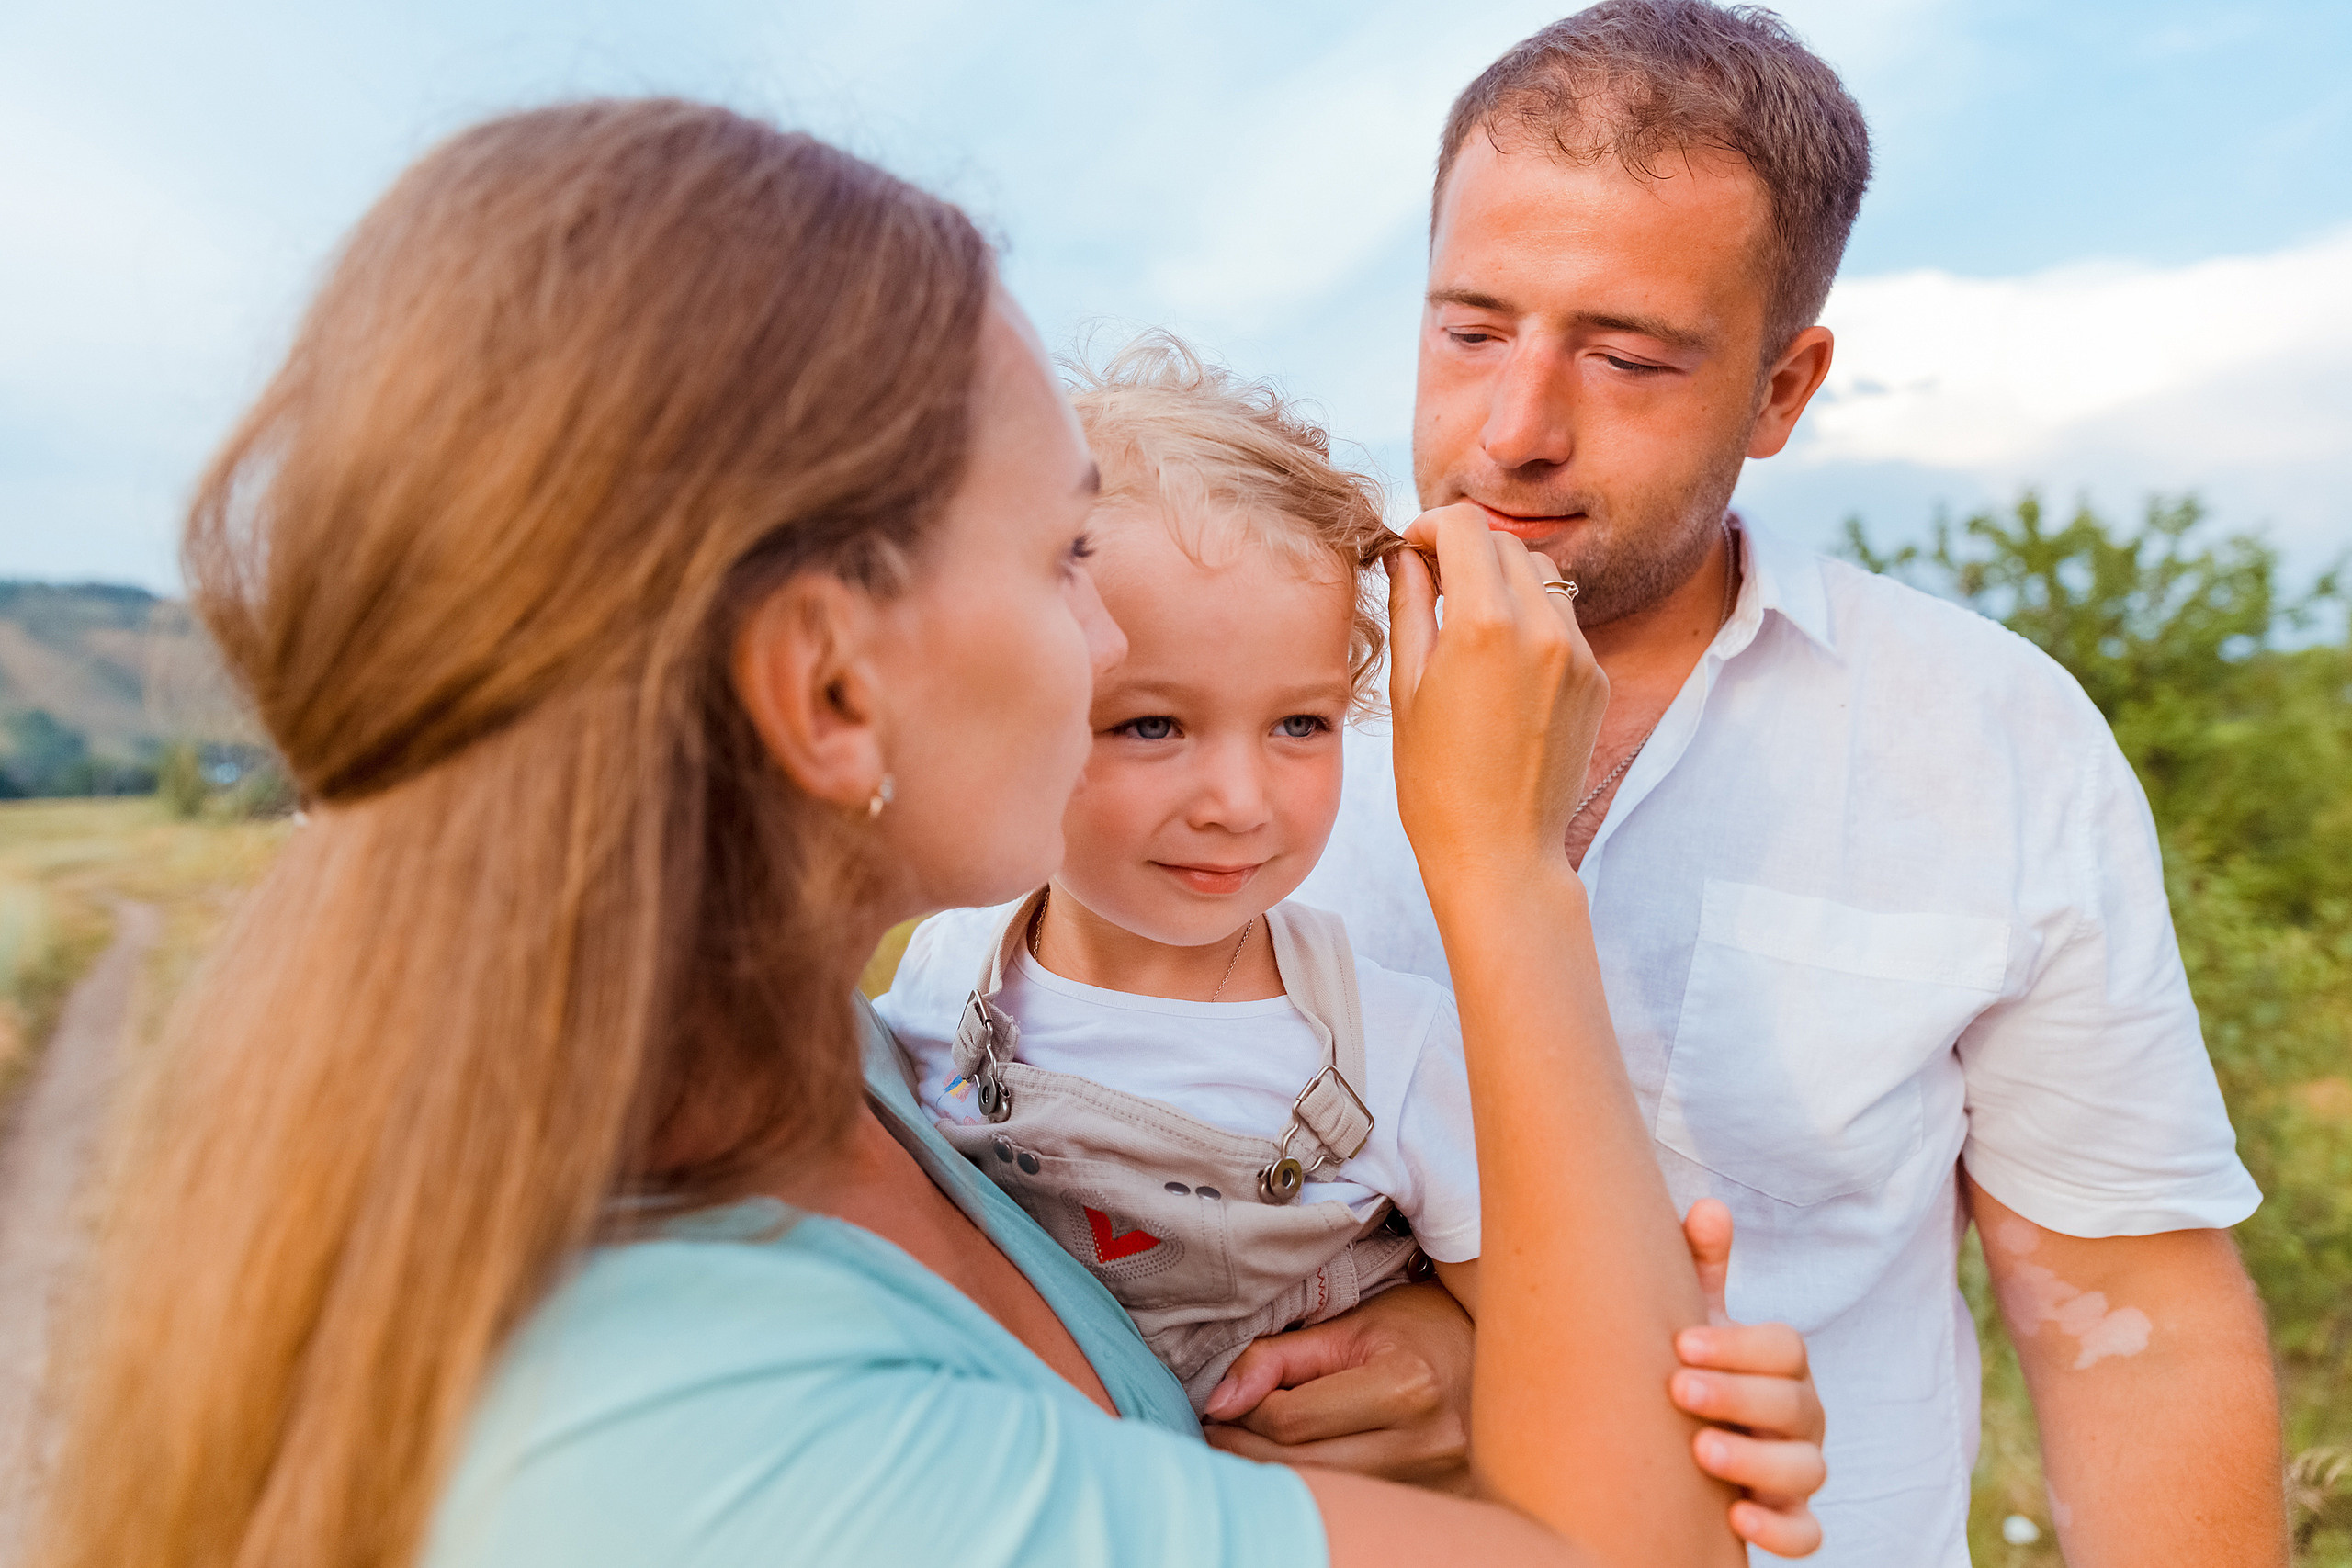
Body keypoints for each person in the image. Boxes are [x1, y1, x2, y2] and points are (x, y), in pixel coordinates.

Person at [27, 101, 1826, 1568]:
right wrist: (1501, 871)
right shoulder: (703, 1438)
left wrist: (1457, 1353)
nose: (1117, 637)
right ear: (825, 690)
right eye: (1061, 556)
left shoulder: (846, 1079)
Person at [1295, 5, 2284, 1564]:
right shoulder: (1193, 685)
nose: (1514, 431)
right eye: (1472, 328)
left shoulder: (1987, 733)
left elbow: (2134, 1313)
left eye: (1626, 356)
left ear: (1781, 388)